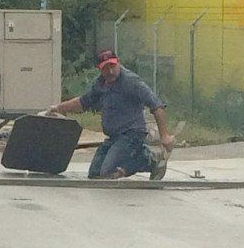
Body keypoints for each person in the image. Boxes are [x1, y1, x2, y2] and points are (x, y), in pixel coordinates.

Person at [49, 49, 170, 179]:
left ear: (118, 63)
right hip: (114, 136)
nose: (110, 71)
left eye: (112, 66)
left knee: (108, 172)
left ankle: (149, 159)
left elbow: (157, 106)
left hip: (132, 134)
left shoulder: (131, 82)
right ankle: (140, 156)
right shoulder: (100, 83)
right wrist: (59, 108)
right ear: (99, 69)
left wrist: (164, 136)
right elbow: (83, 102)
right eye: (106, 68)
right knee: (95, 174)